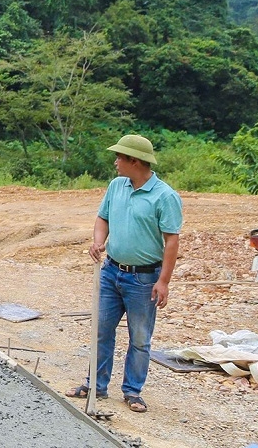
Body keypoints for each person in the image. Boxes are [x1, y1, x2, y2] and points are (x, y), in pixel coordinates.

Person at [66, 135, 181, 414]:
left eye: (120, 157)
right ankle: (95, 386)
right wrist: (98, 241)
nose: (116, 162)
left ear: (135, 161)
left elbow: (171, 240)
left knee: (140, 338)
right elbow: (102, 218)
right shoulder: (116, 186)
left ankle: (132, 391)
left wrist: (163, 281)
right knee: (101, 331)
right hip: (111, 272)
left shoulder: (165, 196)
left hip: (144, 279)